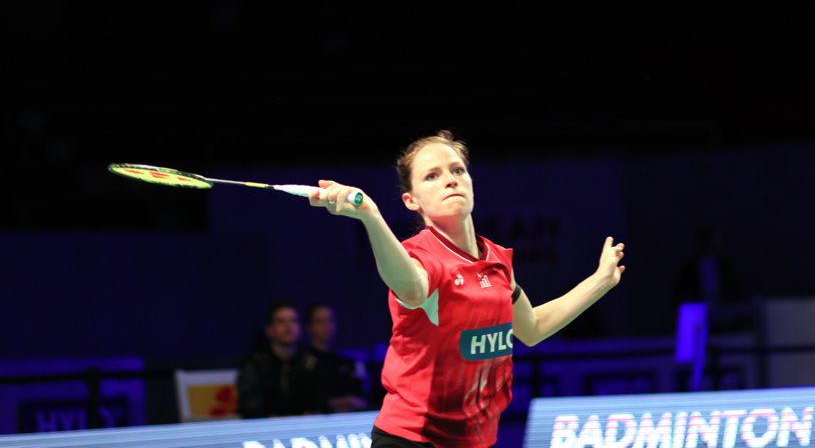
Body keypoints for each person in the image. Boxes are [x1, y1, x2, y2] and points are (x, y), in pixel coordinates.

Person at [307, 130, 627, 447]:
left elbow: (532, 328)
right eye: (432, 176)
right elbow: (411, 287)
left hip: (476, 441)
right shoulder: (422, 257)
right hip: (413, 439)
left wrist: (601, 281)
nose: (450, 180)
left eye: (457, 170)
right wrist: (371, 217)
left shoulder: (497, 260)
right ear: (411, 200)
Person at [236, 300, 324, 418]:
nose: (289, 327)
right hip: (266, 426)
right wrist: (270, 419)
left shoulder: (312, 362)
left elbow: (320, 403)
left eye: (293, 321)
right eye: (281, 322)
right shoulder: (255, 363)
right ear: (269, 329)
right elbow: (249, 406)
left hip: (305, 426)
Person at [304, 303, 369, 413]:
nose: (327, 326)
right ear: (309, 327)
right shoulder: (302, 362)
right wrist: (346, 401)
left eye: (330, 321)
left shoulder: (346, 363)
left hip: (349, 419)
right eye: (320, 321)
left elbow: (362, 398)